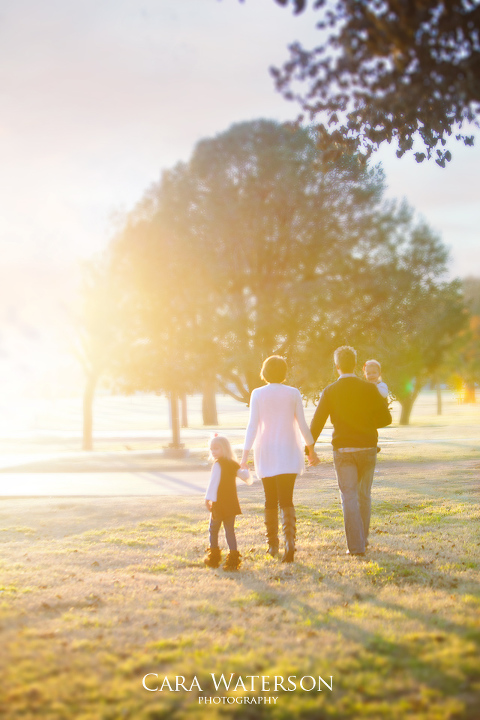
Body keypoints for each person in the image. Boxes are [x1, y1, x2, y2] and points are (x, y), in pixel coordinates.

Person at [310, 346, 392, 556]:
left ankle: (355, 547)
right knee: (364, 495)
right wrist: (366, 422)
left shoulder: (330, 391)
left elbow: (317, 423)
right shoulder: (369, 388)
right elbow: (386, 419)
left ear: (337, 366)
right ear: (356, 365)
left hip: (344, 449)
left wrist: (309, 449)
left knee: (349, 496)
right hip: (367, 447)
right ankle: (363, 540)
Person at [240, 356, 319, 563]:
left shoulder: (257, 393)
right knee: (287, 498)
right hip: (288, 450)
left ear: (264, 372)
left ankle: (272, 545)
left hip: (266, 450)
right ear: (284, 372)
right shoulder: (293, 393)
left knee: (270, 499)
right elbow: (302, 424)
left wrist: (244, 456)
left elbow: (252, 426)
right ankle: (289, 544)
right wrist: (311, 450)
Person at [204, 434, 252, 571]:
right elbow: (246, 478)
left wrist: (208, 499)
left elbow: (213, 483)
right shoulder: (233, 464)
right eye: (211, 449)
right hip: (231, 504)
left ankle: (214, 558)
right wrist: (246, 471)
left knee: (213, 529)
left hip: (219, 504)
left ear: (224, 449)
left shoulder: (218, 465)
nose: (213, 452)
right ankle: (233, 561)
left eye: (216, 448)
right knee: (229, 531)